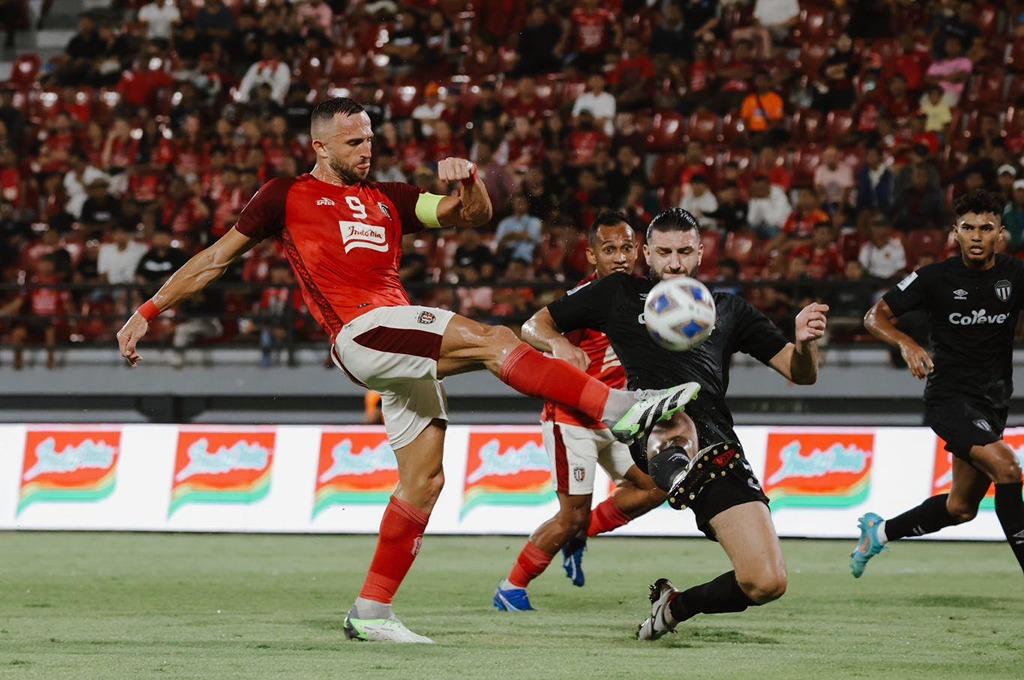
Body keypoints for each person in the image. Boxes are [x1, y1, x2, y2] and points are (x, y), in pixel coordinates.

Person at [115, 98, 700, 644]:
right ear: (320, 146)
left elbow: (467, 215)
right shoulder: (284, 196)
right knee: (495, 339)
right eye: (352, 142)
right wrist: (148, 311)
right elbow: (215, 259)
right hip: (362, 331)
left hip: (400, 342)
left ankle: (371, 610)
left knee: (425, 480)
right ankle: (622, 409)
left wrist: (468, 182)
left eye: (369, 139)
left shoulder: (388, 198)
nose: (365, 150)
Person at [522, 207, 829, 640]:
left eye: (684, 252)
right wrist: (558, 345)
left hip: (717, 447)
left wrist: (805, 343)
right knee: (672, 419)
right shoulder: (618, 294)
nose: (674, 263)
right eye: (664, 252)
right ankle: (670, 462)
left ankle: (675, 606)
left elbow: (799, 373)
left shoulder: (728, 309)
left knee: (766, 582)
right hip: (653, 427)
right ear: (646, 254)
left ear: (700, 252)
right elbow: (534, 324)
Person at [852, 190, 1024, 613]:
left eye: (985, 228)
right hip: (948, 399)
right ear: (955, 233)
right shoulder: (933, 278)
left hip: (993, 403)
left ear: (1000, 233)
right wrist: (906, 342)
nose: (976, 236)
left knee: (961, 508)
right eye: (968, 228)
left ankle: (880, 533)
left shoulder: (1019, 276)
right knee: (1008, 468)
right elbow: (875, 316)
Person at [494, 212, 669, 611]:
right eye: (609, 249)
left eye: (626, 248)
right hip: (571, 419)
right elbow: (532, 328)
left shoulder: (648, 297)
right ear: (592, 256)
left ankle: (578, 535)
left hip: (617, 418)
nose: (620, 257)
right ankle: (511, 587)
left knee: (654, 487)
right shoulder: (585, 298)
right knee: (571, 515)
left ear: (639, 252)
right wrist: (558, 343)